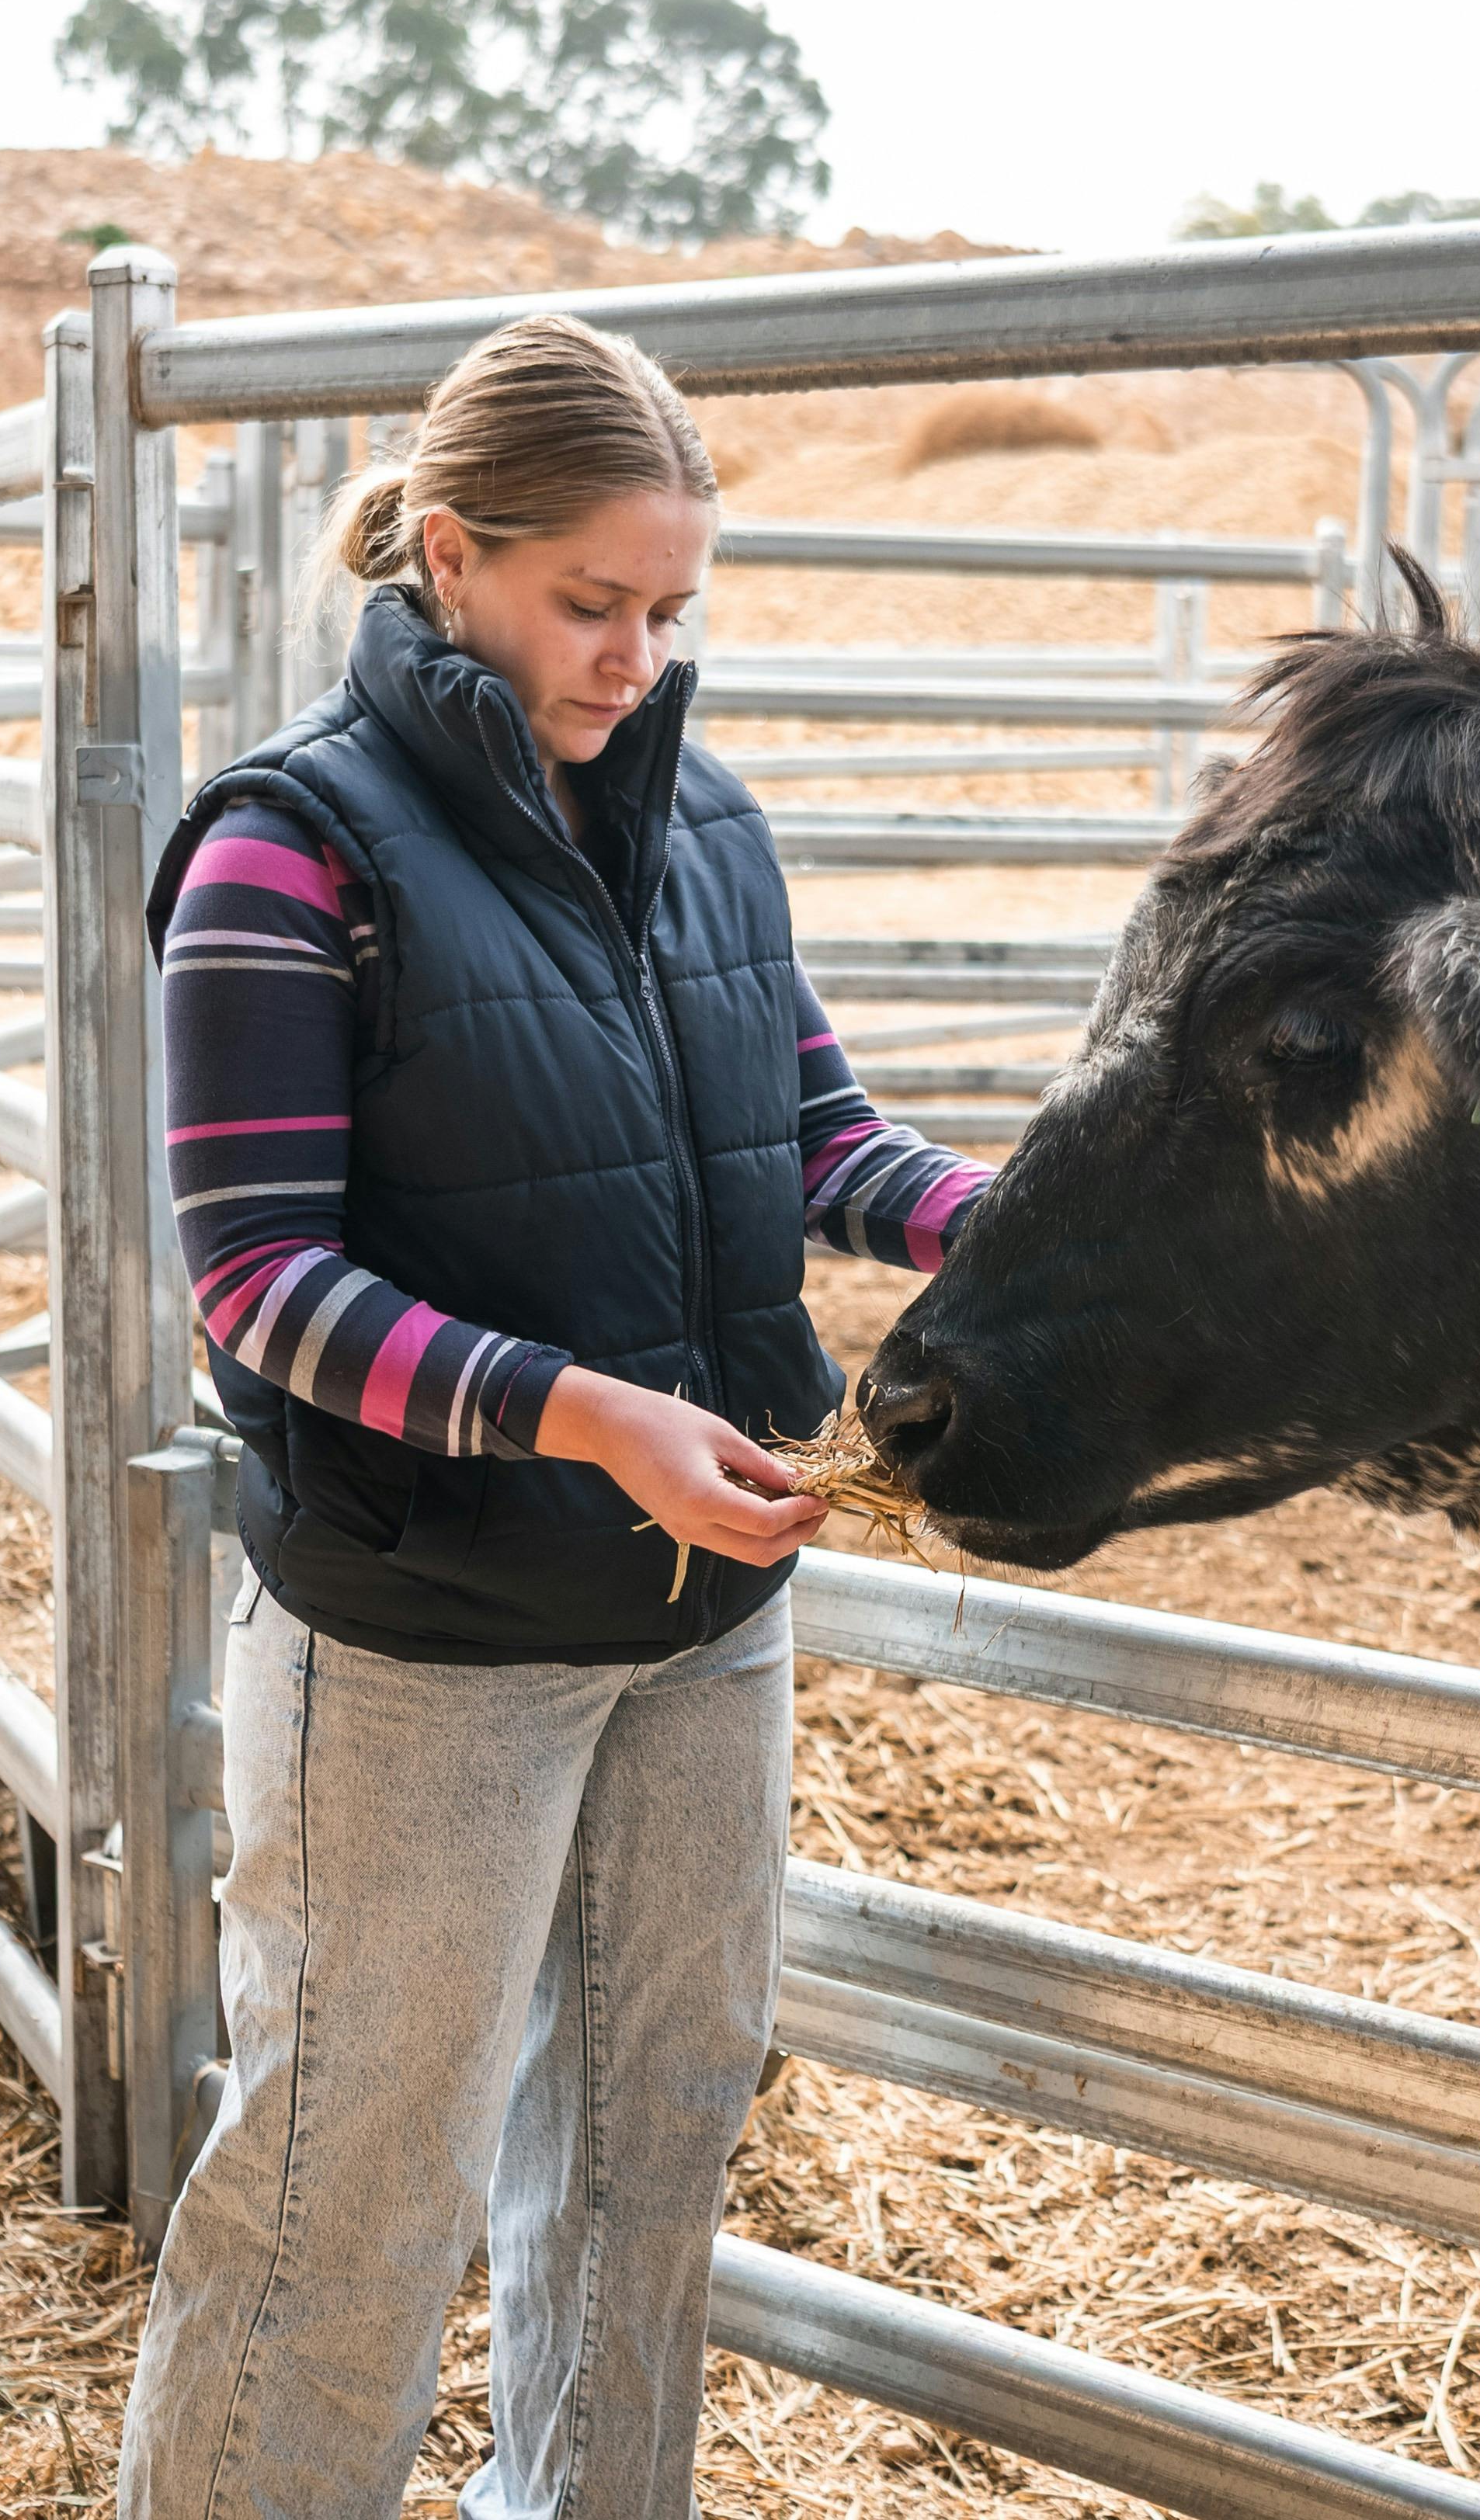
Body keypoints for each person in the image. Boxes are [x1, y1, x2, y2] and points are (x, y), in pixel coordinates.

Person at [115, 313, 992, 2520]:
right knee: (352, 2188)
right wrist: (582, 1413)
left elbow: (815, 1134)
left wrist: (1017, 1225)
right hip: (423, 1644)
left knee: (649, 2141)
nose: (632, 654)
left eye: (669, 607)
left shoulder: (705, 822)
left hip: (703, 1617)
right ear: (445, 555)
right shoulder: (286, 854)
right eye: (587, 604)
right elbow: (254, 1282)